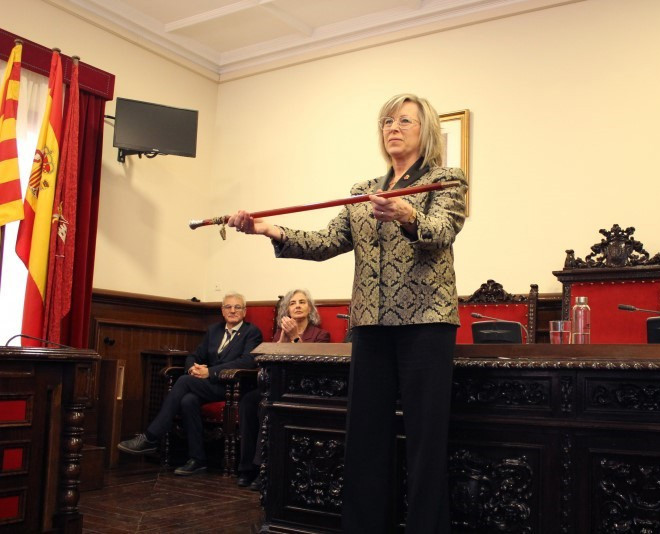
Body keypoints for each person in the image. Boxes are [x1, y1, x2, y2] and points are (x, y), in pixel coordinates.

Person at [228, 93, 467, 533]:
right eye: (386, 121)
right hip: (371, 326)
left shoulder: (446, 179)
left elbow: (441, 232)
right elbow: (324, 243)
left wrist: (407, 213)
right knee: (366, 439)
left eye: (404, 121)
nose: (392, 128)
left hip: (426, 324)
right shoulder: (363, 192)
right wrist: (268, 228)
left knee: (425, 442)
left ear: (425, 130)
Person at [117, 292, 263, 475]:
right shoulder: (214, 331)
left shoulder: (252, 332)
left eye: (237, 307)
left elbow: (247, 362)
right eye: (228, 307)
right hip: (209, 385)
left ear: (244, 312)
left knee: (185, 382)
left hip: (232, 386)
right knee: (188, 401)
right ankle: (197, 459)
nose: (232, 310)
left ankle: (151, 437)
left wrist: (209, 372)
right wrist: (193, 368)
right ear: (222, 311)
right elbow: (195, 355)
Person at [237, 288, 331, 489]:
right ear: (287, 310)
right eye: (292, 303)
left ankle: (262, 470)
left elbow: (314, 367)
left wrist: (296, 337)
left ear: (310, 308)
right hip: (277, 386)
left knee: (266, 406)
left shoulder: (321, 335)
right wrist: (283, 340)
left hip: (303, 390)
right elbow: (270, 362)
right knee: (248, 401)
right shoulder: (280, 333)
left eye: (302, 302)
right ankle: (246, 469)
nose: (297, 305)